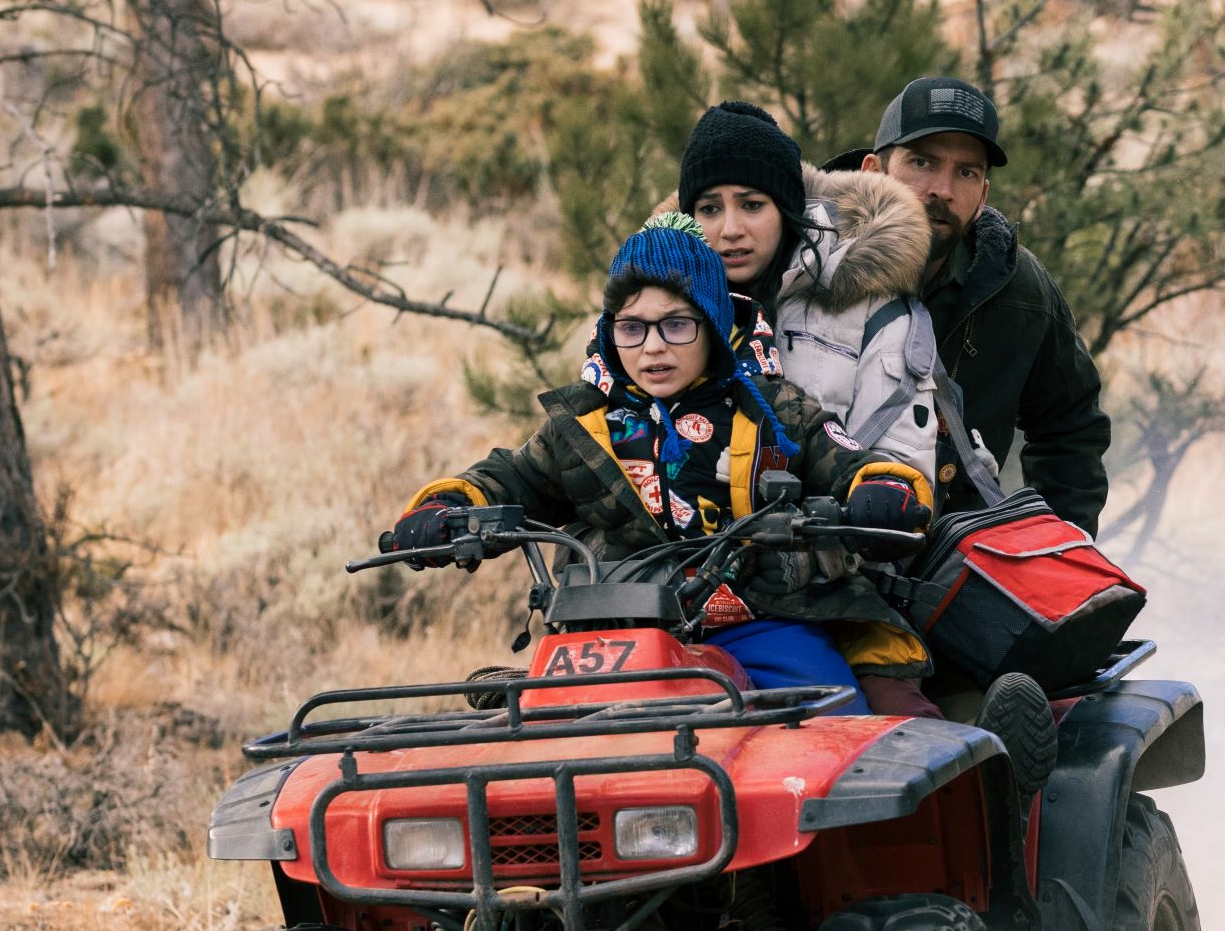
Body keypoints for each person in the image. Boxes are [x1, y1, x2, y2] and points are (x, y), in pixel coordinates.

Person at [383, 215, 931, 714]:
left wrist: (884, 490)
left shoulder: (771, 408)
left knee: (836, 724)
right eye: (632, 327)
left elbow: (845, 460)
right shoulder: (583, 425)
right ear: (611, 331)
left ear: (713, 325)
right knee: (541, 759)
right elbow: (511, 477)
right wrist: (448, 506)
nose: (652, 347)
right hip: (610, 634)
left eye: (676, 325)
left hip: (756, 620)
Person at [834, 76, 1115, 534]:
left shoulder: (1016, 288)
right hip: (807, 549)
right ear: (872, 172)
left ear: (983, 195)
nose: (942, 190)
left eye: (966, 172)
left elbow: (1071, 426)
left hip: (953, 556)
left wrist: (1056, 544)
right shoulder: (804, 266)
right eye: (922, 162)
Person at [676, 102, 939, 540]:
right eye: (709, 208)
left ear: (786, 209)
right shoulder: (654, 311)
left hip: (823, 570)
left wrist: (878, 497)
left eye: (752, 204)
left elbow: (902, 467)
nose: (730, 229)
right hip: (676, 571)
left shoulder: (873, 306)